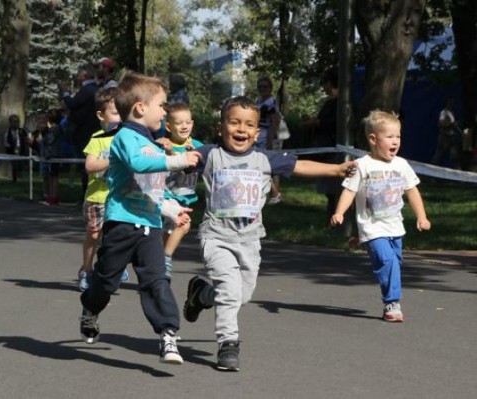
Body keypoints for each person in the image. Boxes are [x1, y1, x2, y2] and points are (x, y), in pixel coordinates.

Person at [181, 96, 357, 372]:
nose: (241, 129)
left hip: (249, 240)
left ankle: (201, 294)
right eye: (234, 122)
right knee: (229, 291)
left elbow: (300, 166)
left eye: (249, 125)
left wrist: (335, 169)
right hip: (216, 237)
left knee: (242, 295)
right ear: (220, 127)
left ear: (257, 132)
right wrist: (167, 148)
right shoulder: (210, 154)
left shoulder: (264, 158)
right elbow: (180, 156)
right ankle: (228, 344)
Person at [79, 73, 201, 365]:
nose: (165, 111)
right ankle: (90, 308)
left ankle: (168, 334)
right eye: (161, 105)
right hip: (121, 223)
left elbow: (153, 188)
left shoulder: (154, 144)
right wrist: (179, 160)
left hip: (149, 226)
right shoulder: (124, 138)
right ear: (140, 108)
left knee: (157, 281)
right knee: (106, 283)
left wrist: (172, 209)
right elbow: (138, 164)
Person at [331, 110, 431, 322]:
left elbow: (412, 191)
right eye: (390, 137)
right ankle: (392, 304)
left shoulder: (401, 165)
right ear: (373, 139)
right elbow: (349, 191)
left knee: (395, 261)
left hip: (396, 226)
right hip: (373, 227)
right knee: (388, 262)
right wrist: (339, 212)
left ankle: (365, 243)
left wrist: (422, 217)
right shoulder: (363, 165)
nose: (395, 141)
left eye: (398, 137)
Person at [78, 87, 129, 291]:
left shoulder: (127, 137)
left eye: (123, 113)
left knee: (117, 237)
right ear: (101, 115)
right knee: (94, 234)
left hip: (120, 198)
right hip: (97, 197)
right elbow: (90, 166)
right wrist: (111, 159)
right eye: (115, 113)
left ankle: (113, 269)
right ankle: (87, 270)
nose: (120, 118)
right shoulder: (98, 138)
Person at [162, 102, 203, 278]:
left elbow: (204, 167)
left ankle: (156, 267)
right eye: (179, 123)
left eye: (187, 122)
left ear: (192, 124)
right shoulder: (164, 145)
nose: (184, 126)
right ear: (168, 126)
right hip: (166, 195)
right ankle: (165, 259)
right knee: (184, 225)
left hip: (184, 198)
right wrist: (169, 153)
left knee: (166, 235)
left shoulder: (198, 145)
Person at [300, 66, 342, 222]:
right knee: (330, 190)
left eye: (324, 83)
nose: (323, 87)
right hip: (326, 151)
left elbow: (334, 124)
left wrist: (316, 122)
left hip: (333, 152)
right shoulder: (330, 102)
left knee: (334, 188)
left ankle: (334, 220)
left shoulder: (340, 103)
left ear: (330, 83)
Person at [60, 63, 101, 196]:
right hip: (91, 129)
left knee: (84, 165)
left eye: (79, 74)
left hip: (85, 131)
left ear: (84, 75)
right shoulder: (95, 89)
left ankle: (86, 193)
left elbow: (73, 104)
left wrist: (65, 92)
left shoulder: (87, 90)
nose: (77, 76)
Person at [255, 76, 283, 204]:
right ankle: (270, 192)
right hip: (258, 135)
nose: (262, 89)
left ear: (270, 88)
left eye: (265, 86)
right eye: (260, 87)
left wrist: (269, 141)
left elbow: (275, 122)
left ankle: (275, 193)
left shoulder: (271, 102)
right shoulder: (259, 102)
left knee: (268, 166)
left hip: (267, 136)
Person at [34, 109, 64, 205]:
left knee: (53, 177)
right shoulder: (49, 129)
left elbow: (49, 141)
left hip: (53, 156)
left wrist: (44, 133)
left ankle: (53, 197)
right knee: (48, 177)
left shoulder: (55, 129)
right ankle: (48, 196)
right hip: (46, 156)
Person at [431, 97, 461, 168]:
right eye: (450, 103)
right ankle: (431, 170)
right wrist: (450, 124)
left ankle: (457, 171)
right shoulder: (444, 112)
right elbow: (440, 123)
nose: (451, 104)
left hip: (452, 136)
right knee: (438, 154)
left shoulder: (452, 113)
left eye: (452, 103)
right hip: (444, 136)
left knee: (454, 155)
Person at [3, 114, 30, 183]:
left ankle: (21, 174)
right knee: (14, 164)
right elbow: (6, 142)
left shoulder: (22, 131)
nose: (16, 123)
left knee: (21, 164)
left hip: (21, 149)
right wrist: (12, 148)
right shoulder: (8, 132)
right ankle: (14, 178)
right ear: (10, 123)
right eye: (14, 121)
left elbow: (26, 139)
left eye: (18, 121)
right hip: (11, 150)